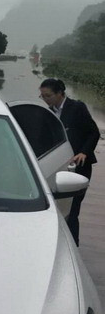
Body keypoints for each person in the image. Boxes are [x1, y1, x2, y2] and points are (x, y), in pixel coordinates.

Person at [39, 77, 100, 245]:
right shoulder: (48, 113)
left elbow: (94, 133)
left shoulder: (77, 108)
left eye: (48, 95)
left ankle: (73, 246)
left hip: (78, 166)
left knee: (72, 210)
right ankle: (54, 243)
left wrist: (83, 153)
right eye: (42, 96)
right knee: (55, 208)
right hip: (57, 166)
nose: (45, 99)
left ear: (60, 93)